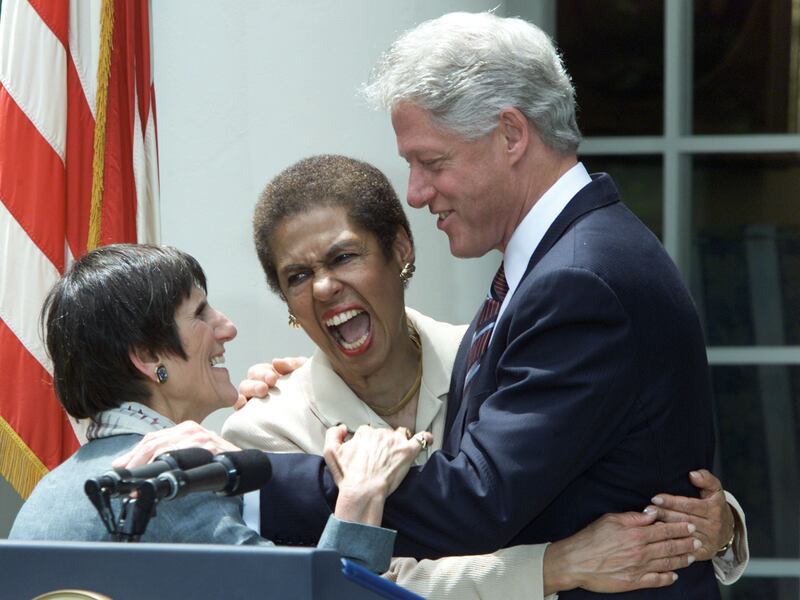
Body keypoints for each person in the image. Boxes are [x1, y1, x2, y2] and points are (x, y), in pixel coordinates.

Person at [242, 13, 732, 598]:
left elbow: (477, 499)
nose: (416, 193)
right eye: (298, 276)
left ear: (511, 134)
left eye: (432, 162)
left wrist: (241, 478)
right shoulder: (561, 265)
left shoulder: (578, 281)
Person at [117, 156, 747, 598]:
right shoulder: (263, 431)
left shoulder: (495, 354)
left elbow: (589, 477)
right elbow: (353, 588)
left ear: (400, 250)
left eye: (344, 256)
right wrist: (553, 567)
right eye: (298, 276)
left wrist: (714, 527)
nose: (325, 286)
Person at [9, 244, 427, 575]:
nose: (227, 327)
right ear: (149, 356)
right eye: (200, 313)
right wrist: (360, 498)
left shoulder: (46, 495)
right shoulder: (171, 489)